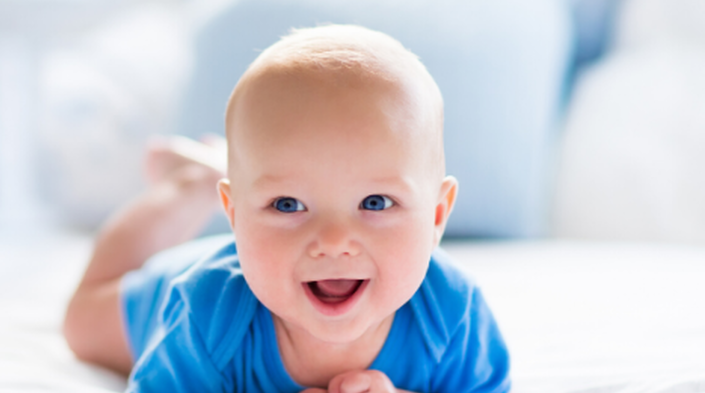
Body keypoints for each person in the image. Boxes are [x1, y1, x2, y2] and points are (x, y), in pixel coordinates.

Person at [63, 24, 510, 393]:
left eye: (375, 202)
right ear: (234, 214)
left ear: (435, 216)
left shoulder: (452, 313)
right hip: (166, 290)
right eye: (288, 203)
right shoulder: (205, 313)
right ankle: (191, 187)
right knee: (80, 325)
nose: (334, 241)